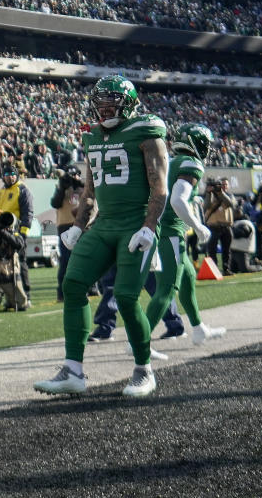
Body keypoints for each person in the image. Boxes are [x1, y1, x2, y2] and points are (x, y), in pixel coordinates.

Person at [34, 75, 168, 398]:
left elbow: (159, 187)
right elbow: (90, 190)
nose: (105, 108)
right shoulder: (93, 136)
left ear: (129, 103)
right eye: (101, 102)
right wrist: (80, 225)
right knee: (73, 282)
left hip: (136, 223)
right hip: (105, 224)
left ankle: (143, 370)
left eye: (112, 102)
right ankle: (73, 371)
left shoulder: (147, 130)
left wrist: (149, 227)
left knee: (124, 297)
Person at [145, 123, 226, 346]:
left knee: (188, 278)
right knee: (166, 289)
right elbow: (178, 200)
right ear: (196, 143)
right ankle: (138, 343)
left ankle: (198, 328)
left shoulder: (172, 162)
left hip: (161, 229)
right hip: (170, 231)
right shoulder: (192, 163)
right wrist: (199, 227)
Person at [0, 163, 33, 300]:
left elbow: (27, 214)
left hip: (16, 232)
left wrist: (22, 234)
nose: (9, 178)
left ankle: (25, 295)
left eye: (12, 175)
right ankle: (10, 297)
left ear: (16, 176)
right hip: (2, 233)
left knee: (20, 263)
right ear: (2, 177)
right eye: (6, 175)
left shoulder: (22, 190)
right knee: (4, 266)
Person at [51, 166, 85, 302]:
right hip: (65, 226)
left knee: (85, 259)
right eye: (70, 175)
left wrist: (77, 185)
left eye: (75, 174)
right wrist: (62, 188)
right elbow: (55, 203)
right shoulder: (61, 187)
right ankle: (62, 292)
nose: (73, 177)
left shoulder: (83, 188)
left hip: (82, 226)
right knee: (65, 261)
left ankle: (89, 287)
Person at [204, 177, 236, 276]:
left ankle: (226, 269)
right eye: (222, 184)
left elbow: (229, 203)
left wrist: (220, 193)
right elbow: (206, 206)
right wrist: (209, 193)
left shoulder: (229, 195)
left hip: (226, 226)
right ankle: (214, 270)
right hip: (214, 226)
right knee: (212, 250)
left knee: (227, 250)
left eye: (226, 185)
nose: (223, 186)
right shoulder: (210, 195)